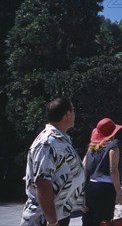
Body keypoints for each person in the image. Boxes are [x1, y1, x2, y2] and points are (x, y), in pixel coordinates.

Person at [21, 96, 86, 226]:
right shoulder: (48, 142)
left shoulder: (60, 139)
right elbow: (42, 182)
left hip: (58, 213)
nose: (74, 114)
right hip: (44, 218)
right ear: (67, 114)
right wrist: (52, 222)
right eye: (73, 110)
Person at [82, 118, 122, 226]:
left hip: (90, 187)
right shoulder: (113, 145)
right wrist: (119, 193)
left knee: (88, 221)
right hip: (105, 189)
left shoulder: (91, 148)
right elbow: (113, 170)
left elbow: (84, 168)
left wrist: (82, 192)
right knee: (103, 221)